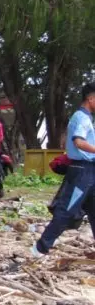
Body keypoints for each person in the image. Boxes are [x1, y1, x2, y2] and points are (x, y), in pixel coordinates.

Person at [33, 83, 95, 258]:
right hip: (81, 171)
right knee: (66, 210)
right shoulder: (81, 118)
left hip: (90, 170)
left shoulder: (88, 118)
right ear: (91, 98)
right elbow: (79, 142)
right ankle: (40, 248)